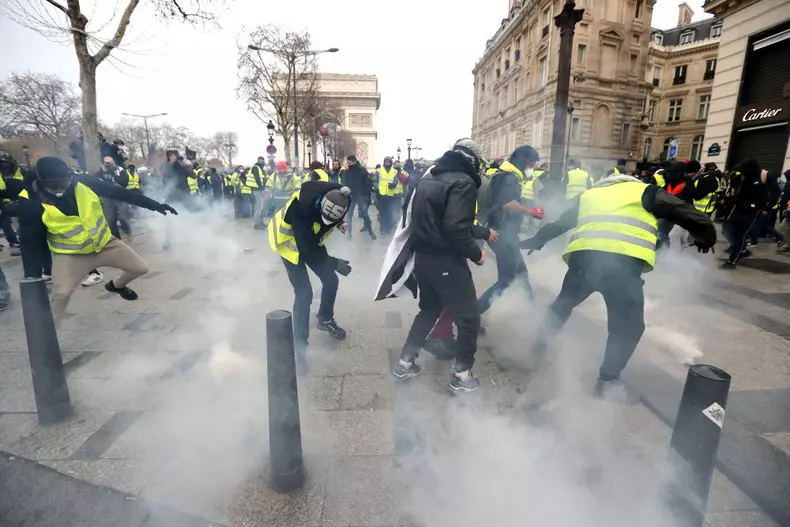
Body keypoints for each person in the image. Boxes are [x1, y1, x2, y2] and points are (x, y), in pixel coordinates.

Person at [520, 172, 716, 394]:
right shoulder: (646, 192)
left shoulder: (590, 195)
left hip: (583, 262)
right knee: (628, 326)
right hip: (621, 268)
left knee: (563, 304)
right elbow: (695, 217)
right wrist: (705, 239)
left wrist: (537, 241)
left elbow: (559, 223)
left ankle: (537, 350)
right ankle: (607, 382)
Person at [11, 157, 178, 321]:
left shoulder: (84, 181)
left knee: (140, 268)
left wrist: (155, 205)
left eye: (64, 182)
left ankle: (116, 286)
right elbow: (29, 239)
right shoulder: (30, 198)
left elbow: (119, 192)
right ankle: (45, 338)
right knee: (60, 295)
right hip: (70, 255)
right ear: (41, 180)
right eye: (53, 184)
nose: (59, 188)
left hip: (105, 244)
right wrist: (31, 276)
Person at [392, 138, 488, 393]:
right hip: (446, 260)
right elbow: (456, 228)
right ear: (472, 160)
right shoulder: (463, 182)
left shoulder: (429, 178)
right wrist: (477, 254)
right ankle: (462, 377)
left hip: (423, 259)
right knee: (469, 320)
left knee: (429, 310)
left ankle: (404, 362)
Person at [268, 181, 352, 374]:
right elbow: (307, 250)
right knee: (304, 292)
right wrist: (333, 262)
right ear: (319, 206)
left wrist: (339, 222)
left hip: (310, 242)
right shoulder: (301, 211)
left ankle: (324, 318)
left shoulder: (340, 193)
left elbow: (315, 243)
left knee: (331, 280)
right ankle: (299, 349)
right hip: (289, 244)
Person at [477, 145, 545, 316]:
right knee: (506, 280)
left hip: (503, 233)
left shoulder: (502, 174)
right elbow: (508, 204)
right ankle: (474, 313)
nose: (533, 168)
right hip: (502, 235)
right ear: (523, 161)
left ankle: (532, 311)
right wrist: (531, 212)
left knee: (521, 273)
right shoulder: (509, 178)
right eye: (532, 164)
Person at [720, 159, 767, 268]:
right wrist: (727, 201)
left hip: (749, 214)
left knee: (739, 236)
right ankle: (741, 249)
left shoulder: (759, 182)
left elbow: (762, 199)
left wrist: (756, 206)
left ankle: (732, 261)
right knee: (728, 230)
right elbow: (739, 195)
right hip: (738, 211)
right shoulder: (745, 180)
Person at [340, 155, 375, 240]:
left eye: (350, 163)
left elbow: (369, 184)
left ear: (355, 161)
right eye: (347, 163)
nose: (348, 165)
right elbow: (344, 184)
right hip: (351, 196)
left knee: (365, 214)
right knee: (349, 216)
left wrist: (366, 195)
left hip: (361, 196)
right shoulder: (346, 172)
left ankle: (370, 231)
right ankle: (349, 234)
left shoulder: (363, 171)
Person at [0, 152, 25, 255]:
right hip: (5, 203)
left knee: (21, 224)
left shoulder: (21, 171)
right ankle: (15, 242)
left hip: (22, 201)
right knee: (7, 223)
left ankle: (19, 243)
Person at [376, 156, 403, 235]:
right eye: (385, 161)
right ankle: (383, 227)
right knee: (383, 212)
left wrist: (393, 184)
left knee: (390, 211)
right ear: (384, 162)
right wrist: (377, 189)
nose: (387, 163)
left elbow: (396, 181)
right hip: (382, 194)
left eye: (388, 161)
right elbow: (375, 181)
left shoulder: (394, 171)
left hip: (391, 195)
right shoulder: (379, 170)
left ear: (391, 163)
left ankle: (388, 226)